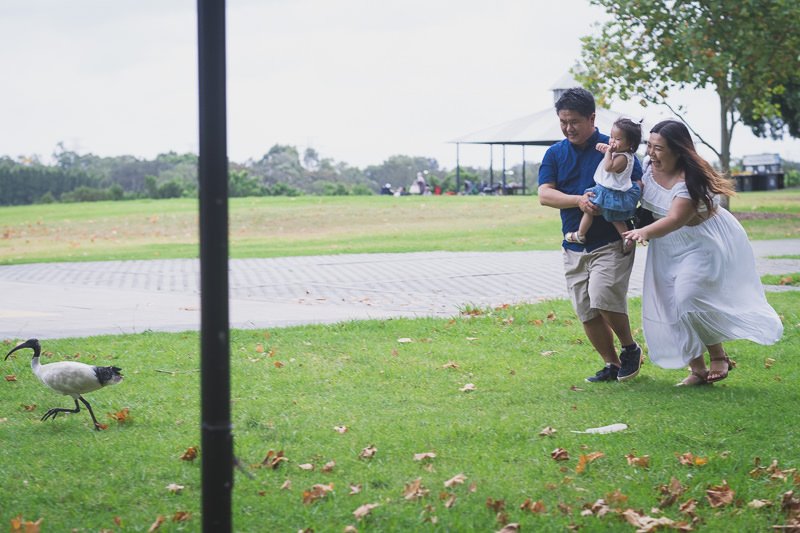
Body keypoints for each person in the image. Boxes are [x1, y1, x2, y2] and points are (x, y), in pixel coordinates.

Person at [623, 120, 783, 385]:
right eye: (649, 146)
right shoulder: (649, 167)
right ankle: (697, 369)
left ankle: (718, 355)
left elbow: (676, 218)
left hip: (701, 243)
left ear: (678, 150)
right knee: (671, 305)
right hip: (666, 246)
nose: (651, 153)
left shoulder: (689, 179)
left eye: (659, 148)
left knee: (687, 297)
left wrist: (644, 232)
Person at [538, 87, 644, 383]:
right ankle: (611, 364)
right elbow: (544, 195)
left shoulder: (616, 145)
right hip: (574, 243)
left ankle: (630, 348)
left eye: (574, 121)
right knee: (586, 310)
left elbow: (637, 185)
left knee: (602, 297)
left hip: (610, 240)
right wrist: (579, 201)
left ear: (592, 118)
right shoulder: (555, 154)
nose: (568, 128)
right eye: (563, 121)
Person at [565, 117, 643, 255]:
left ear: (630, 143)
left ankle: (581, 234)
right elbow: (613, 152)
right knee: (615, 218)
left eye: (618, 139)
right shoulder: (623, 153)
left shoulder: (623, 158)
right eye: (612, 137)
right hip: (612, 191)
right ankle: (626, 239)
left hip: (607, 191)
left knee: (589, 208)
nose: (612, 141)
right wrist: (607, 149)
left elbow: (608, 167)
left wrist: (608, 152)